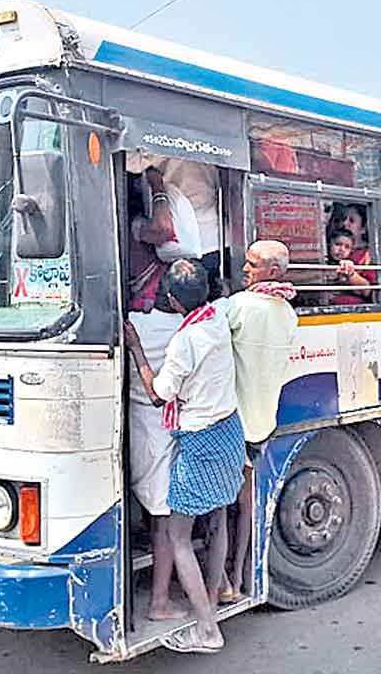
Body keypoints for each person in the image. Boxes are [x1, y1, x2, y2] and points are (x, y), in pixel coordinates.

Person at [125, 259, 245, 654]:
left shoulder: (185, 341)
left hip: (199, 440)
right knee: (218, 517)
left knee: (178, 536)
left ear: (173, 301)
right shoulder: (218, 317)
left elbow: (158, 395)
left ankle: (208, 631)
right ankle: (213, 596)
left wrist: (136, 349)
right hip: (229, 431)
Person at [220, 241, 298, 601]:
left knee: (220, 509)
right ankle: (241, 577)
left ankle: (224, 582)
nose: (245, 268)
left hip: (233, 423)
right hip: (262, 423)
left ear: (273, 271)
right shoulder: (287, 313)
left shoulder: (239, 306)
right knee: (246, 506)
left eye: (252, 264)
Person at [126, 284, 185, 621]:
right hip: (162, 432)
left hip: (135, 428)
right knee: (165, 524)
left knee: (151, 511)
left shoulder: (133, 321)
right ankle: (159, 603)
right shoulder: (185, 330)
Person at [128, 154, 223, 298]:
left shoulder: (158, 150)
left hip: (186, 250)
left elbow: (129, 161)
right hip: (215, 242)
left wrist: (138, 231)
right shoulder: (207, 147)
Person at [327, 205, 376, 305]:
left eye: (351, 221)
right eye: (343, 219)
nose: (344, 223)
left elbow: (368, 291)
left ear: (363, 228)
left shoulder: (369, 256)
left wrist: (351, 273)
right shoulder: (330, 253)